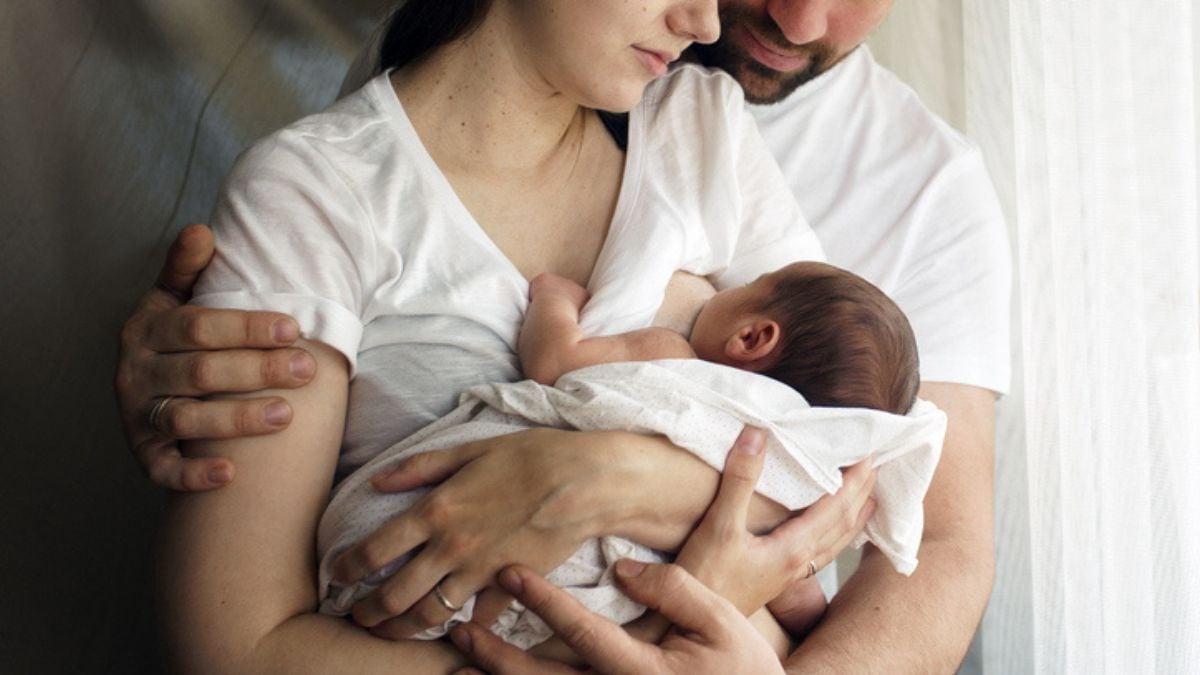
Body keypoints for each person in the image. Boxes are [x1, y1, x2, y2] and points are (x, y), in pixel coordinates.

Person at [120, 0, 1010, 670]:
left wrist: (609, 477)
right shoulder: (323, 187)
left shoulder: (706, 130)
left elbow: (864, 478)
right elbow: (238, 640)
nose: (704, 19)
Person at [519, 261, 919, 415]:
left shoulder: (669, 353)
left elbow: (553, 363)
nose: (722, 285)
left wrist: (556, 298)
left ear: (750, 338)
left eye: (751, 282)